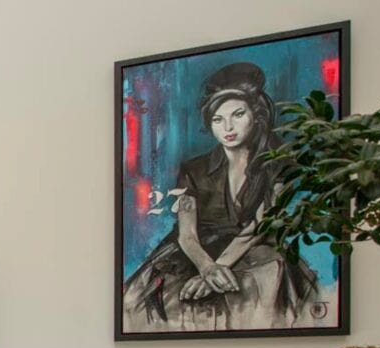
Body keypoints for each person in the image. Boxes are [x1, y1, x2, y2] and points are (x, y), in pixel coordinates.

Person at [123, 62, 320, 332]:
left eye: (237, 115)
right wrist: (207, 268)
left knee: (261, 286)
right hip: (196, 251)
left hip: (253, 248)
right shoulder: (194, 169)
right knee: (138, 298)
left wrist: (218, 268)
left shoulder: (279, 162)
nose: (228, 126)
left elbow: (259, 227)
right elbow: (186, 234)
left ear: (257, 114)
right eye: (218, 119)